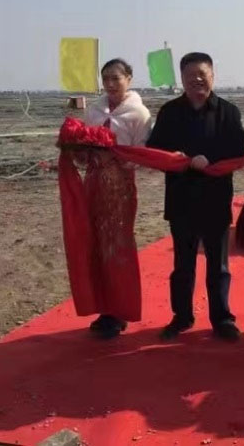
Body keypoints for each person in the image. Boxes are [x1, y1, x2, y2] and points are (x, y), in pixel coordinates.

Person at [146, 52, 244, 342]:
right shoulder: (169, 112)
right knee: (183, 265)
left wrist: (208, 159)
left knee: (219, 266)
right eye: (190, 76)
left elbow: (238, 149)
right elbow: (155, 149)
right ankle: (182, 316)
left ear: (212, 75)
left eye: (202, 74)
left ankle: (222, 319)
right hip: (181, 199)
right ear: (182, 79)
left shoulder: (229, 112)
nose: (197, 80)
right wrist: (179, 158)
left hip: (216, 199)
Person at [81, 58, 152, 338]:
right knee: (97, 244)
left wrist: (118, 158)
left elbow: (141, 153)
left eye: (116, 78)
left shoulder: (139, 114)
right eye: (106, 79)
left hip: (120, 187)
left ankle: (120, 309)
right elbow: (85, 148)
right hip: (93, 184)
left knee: (118, 245)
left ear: (129, 79)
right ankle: (104, 307)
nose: (110, 84)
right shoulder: (94, 110)